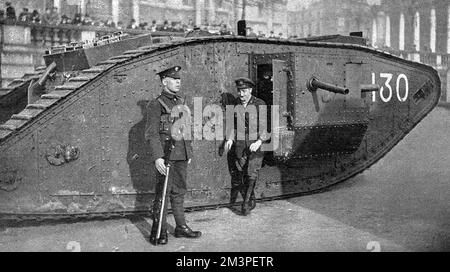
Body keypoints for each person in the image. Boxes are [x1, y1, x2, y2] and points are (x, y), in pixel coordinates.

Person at [145, 66, 201, 246]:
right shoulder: (156, 104)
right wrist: (157, 157)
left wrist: (188, 151)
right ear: (164, 82)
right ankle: (160, 231)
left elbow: (186, 129)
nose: (178, 82)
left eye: (179, 79)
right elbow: (151, 134)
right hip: (166, 156)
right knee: (164, 193)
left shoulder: (181, 101)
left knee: (179, 192)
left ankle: (181, 226)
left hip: (181, 154)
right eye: (173, 79)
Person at [225, 77, 267, 216]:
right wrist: (230, 139)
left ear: (250, 90)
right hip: (240, 144)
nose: (241, 94)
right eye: (239, 91)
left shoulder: (259, 104)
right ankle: (252, 197)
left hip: (256, 144)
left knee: (251, 172)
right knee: (241, 172)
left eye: (244, 91)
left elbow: (266, 127)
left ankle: (246, 203)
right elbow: (232, 125)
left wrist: (259, 141)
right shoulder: (235, 104)